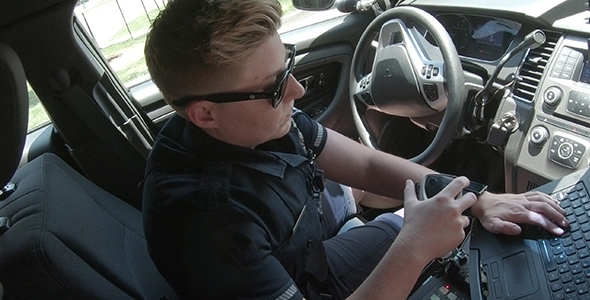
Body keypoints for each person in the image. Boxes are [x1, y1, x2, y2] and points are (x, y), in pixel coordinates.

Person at [141, 0, 568, 299]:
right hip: (307, 279)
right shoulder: (207, 227)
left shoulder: (252, 124)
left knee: (436, 215)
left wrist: (480, 197)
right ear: (205, 114)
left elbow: (363, 163)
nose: (298, 89)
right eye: (273, 87)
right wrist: (413, 247)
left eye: (286, 66)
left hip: (308, 242)